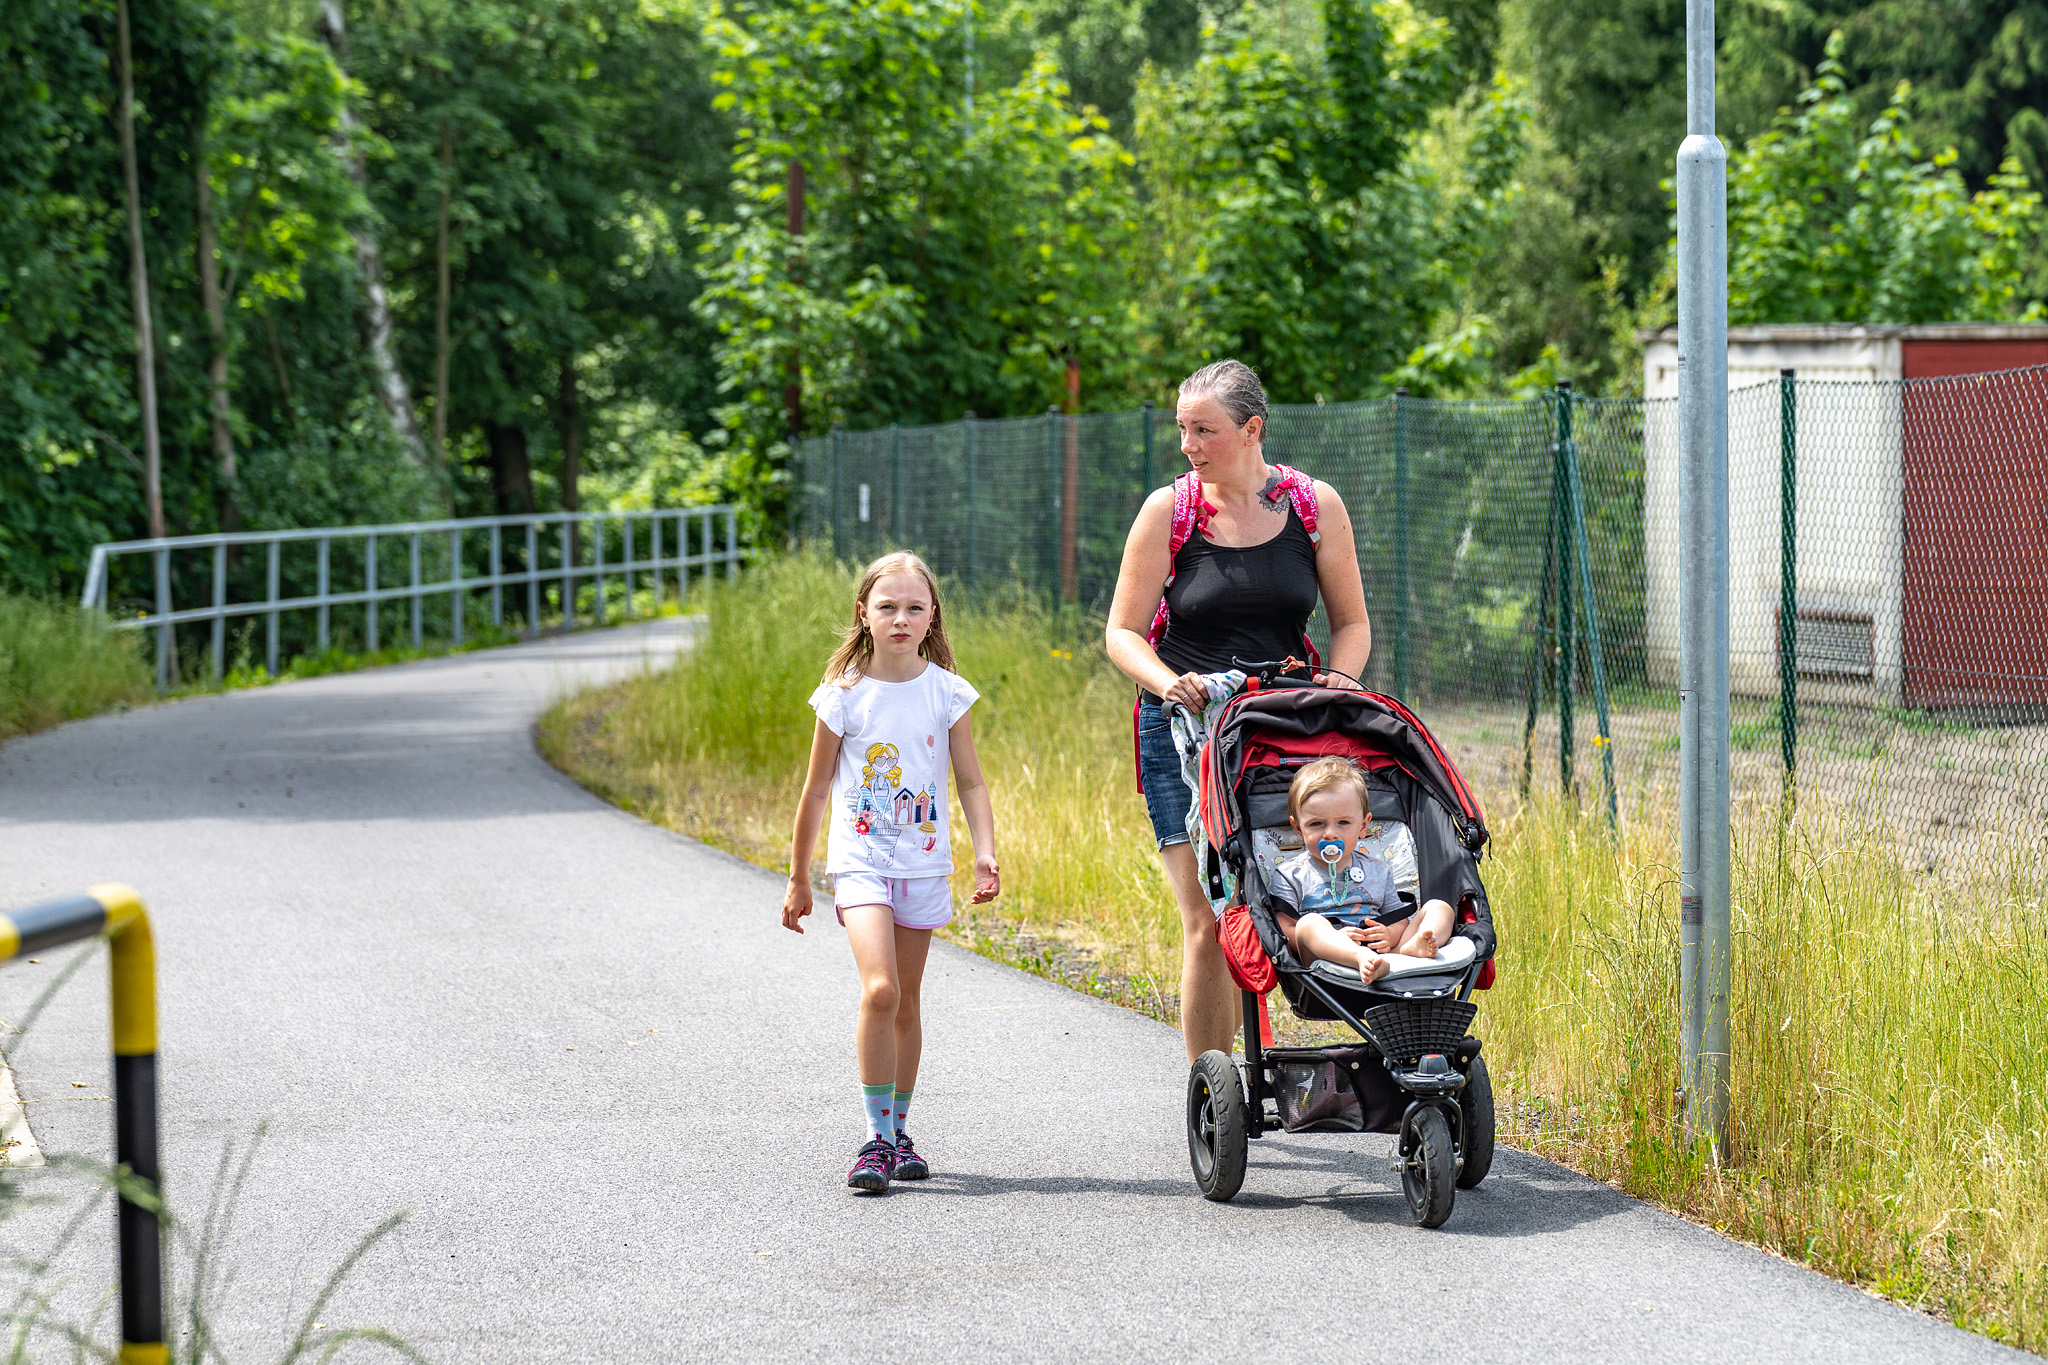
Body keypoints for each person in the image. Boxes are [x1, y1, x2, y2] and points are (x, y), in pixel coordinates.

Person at [1105, 359, 1372, 1061]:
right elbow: (1122, 632)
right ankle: (1212, 1093)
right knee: (1205, 916)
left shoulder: (1315, 507)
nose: (1188, 444)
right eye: (1182, 429)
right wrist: (1167, 682)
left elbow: (1352, 623)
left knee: (1276, 907)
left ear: (1252, 429)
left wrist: (1340, 681)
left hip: (1281, 730)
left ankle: (1276, 1059)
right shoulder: (1171, 511)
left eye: (1204, 429)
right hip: (1182, 731)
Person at [782, 551, 1001, 1194]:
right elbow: (816, 791)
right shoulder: (843, 697)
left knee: (906, 1001)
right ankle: (876, 1140)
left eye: (914, 607)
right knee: (879, 990)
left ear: (932, 616)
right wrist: (799, 877)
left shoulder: (947, 692)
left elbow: (970, 780)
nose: (900, 619)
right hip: (860, 863)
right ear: (864, 614)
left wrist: (985, 850)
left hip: (924, 863)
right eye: (887, 607)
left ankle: (901, 1130)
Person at [1268, 758, 1455, 980]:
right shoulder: (1291, 875)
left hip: (1386, 955)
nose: (1330, 834)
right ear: (1299, 829)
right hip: (1325, 962)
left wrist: (1389, 935)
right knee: (1307, 924)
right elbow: (1284, 932)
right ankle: (1359, 957)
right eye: (1317, 824)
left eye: (1343, 823)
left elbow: (1398, 919)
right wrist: (1335, 938)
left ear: (1363, 827)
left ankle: (1410, 948)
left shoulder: (1377, 870)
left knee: (1440, 908)